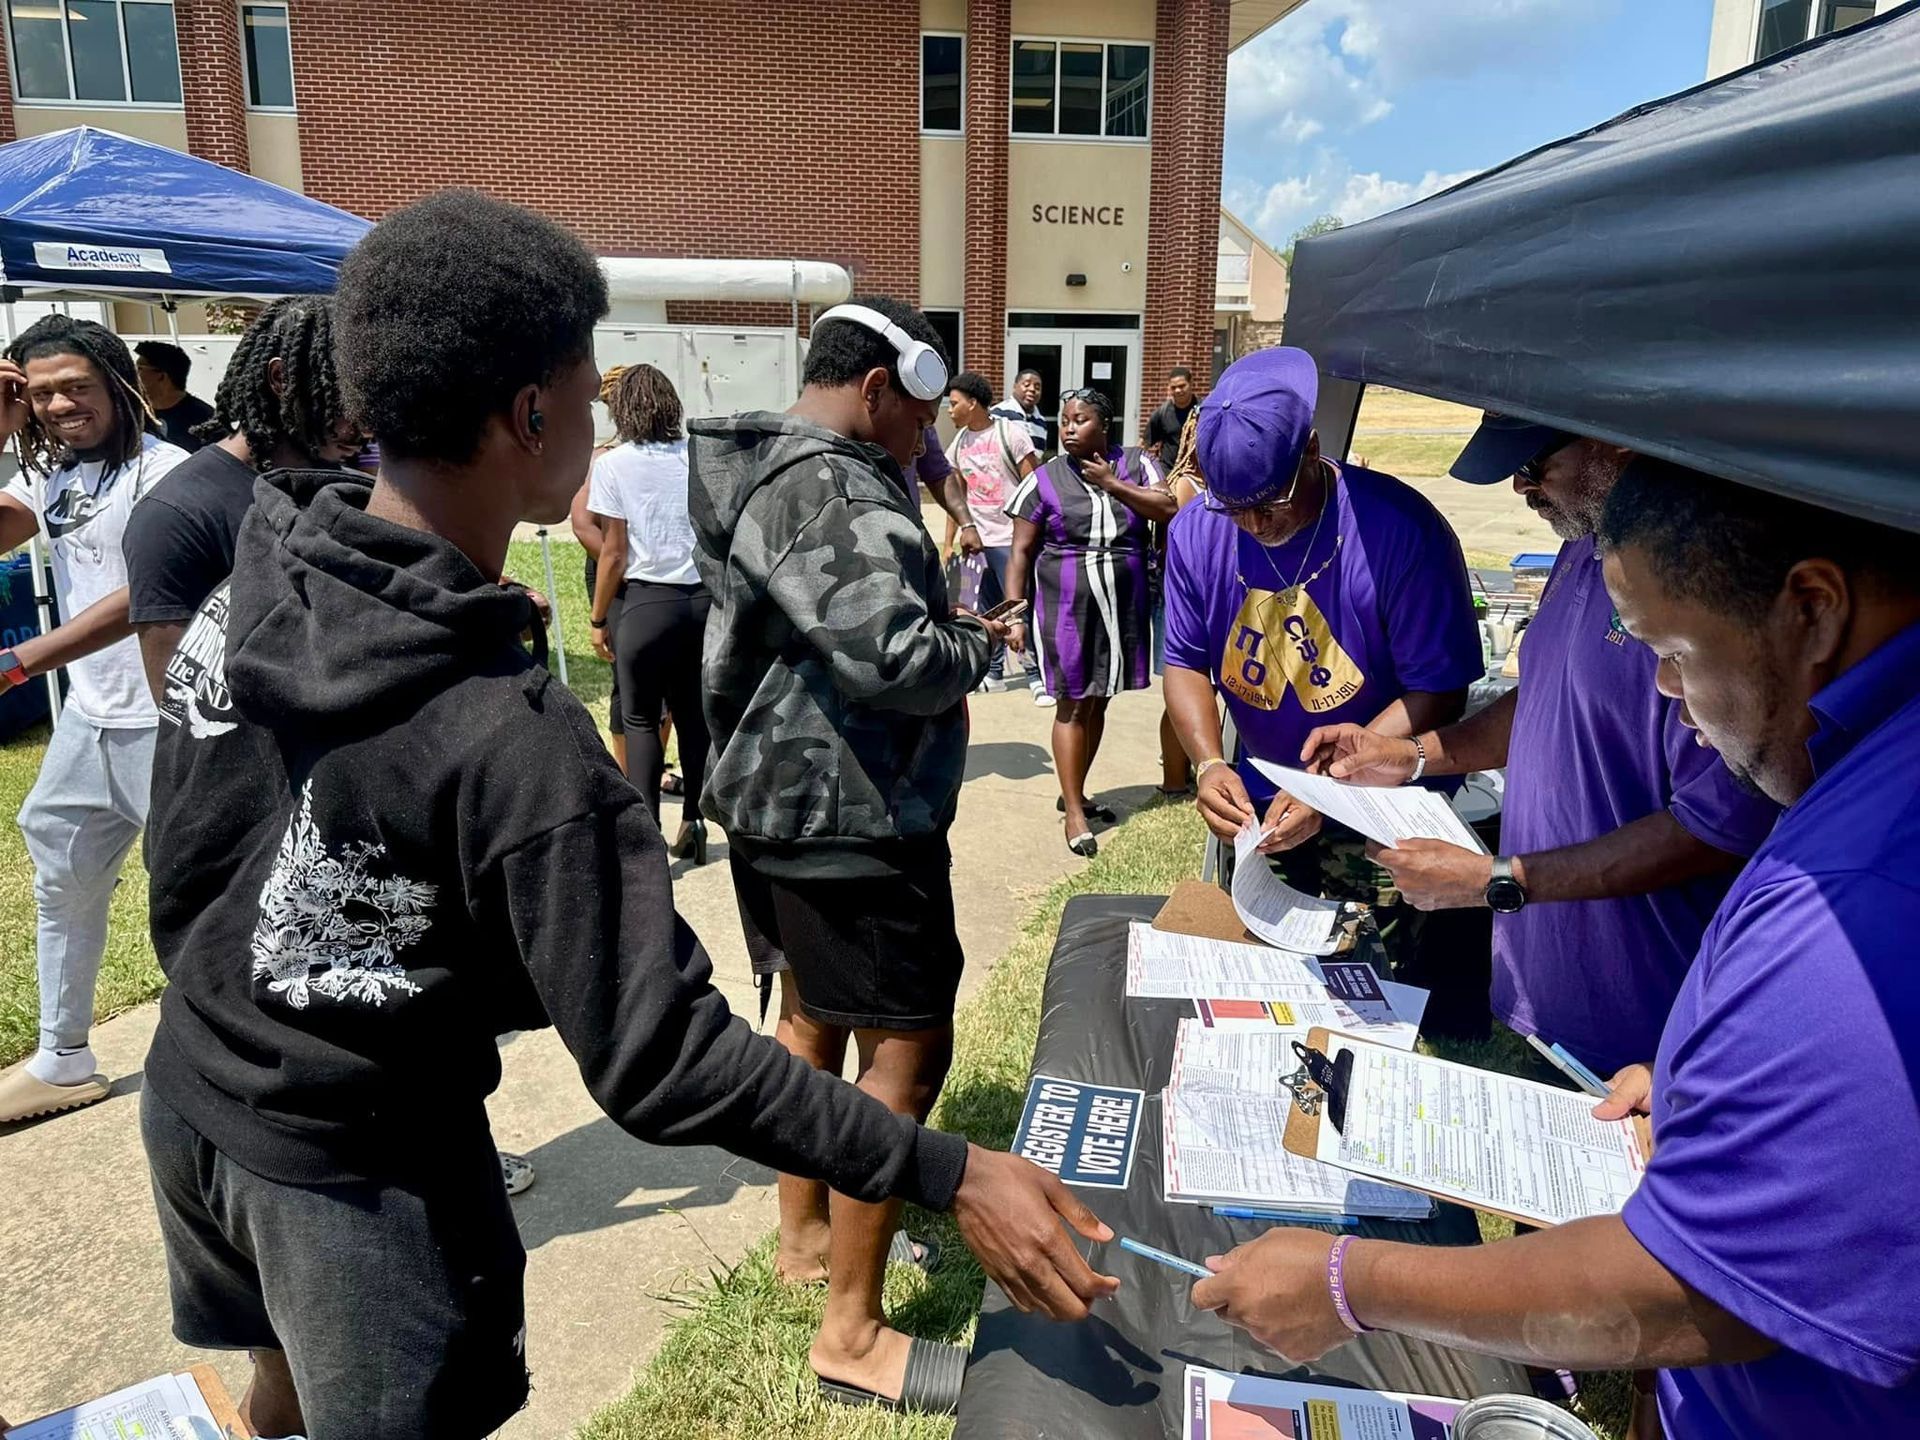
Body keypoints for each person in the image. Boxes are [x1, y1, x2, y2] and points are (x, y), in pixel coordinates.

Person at [138, 201, 1110, 1438]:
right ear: (531, 415)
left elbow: (183, 872)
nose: (597, 410)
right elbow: (658, 1057)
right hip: (358, 1186)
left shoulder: (252, 577)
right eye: (584, 385)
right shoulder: (511, 733)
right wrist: (952, 1170)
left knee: (276, 1393)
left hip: (191, 1106)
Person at [1193, 456, 1920, 1440]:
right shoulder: (1865, 766)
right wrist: (1706, 1080)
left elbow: (1688, 1290)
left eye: (1670, 650)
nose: (1665, 692)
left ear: (1814, 609)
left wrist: (1348, 1282)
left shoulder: (1861, 893)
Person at [688, 296, 1026, 1413]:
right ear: (875, 388)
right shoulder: (832, 482)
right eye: (919, 422)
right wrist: (978, 641)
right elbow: (892, 653)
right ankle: (852, 1331)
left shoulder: (766, 470)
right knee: (909, 1052)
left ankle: (802, 1239)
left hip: (783, 806)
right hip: (851, 814)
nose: (925, 446)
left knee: (812, 1022)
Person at [1301, 416, 1778, 1076]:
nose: (1521, 485)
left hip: (1650, 1027)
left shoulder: (1703, 580)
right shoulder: (1583, 540)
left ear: (1616, 440)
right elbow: (1547, 698)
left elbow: (1712, 829)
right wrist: (1415, 755)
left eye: (1535, 462)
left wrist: (1498, 882)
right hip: (1545, 993)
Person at [1161, 347, 1483, 965]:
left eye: (1271, 505)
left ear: (1311, 449)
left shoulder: (1399, 530)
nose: (1253, 525)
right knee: (1274, 973)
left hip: (1382, 802)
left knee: (1379, 981)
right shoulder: (1196, 530)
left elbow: (1440, 691)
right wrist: (1206, 764)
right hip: (1265, 799)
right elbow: (1183, 661)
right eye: (1234, 508)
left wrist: (1330, 784)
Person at [0, 317, 190, 1125]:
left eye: (76, 386)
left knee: (206, 895)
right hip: (91, 721)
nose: (59, 405)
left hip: (171, 719)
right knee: (62, 877)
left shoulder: (169, 471)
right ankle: (64, 1056)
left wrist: (19, 660)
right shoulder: (51, 477)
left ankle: (269, 1062)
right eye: (40, 393)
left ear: (118, 382)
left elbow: (140, 594)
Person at [125, 297, 366, 703]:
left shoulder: (350, 490)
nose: (364, 423)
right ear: (281, 378)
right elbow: (180, 706)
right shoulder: (175, 517)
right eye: (346, 395)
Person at [1004, 386, 1176, 857]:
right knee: (1072, 702)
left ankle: (1076, 789)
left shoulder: (1138, 465)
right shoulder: (1043, 479)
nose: (1068, 428)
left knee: (1099, 699)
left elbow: (1167, 509)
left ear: (1104, 425)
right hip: (1067, 607)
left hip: (1122, 603)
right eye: (1064, 421)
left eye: (1079, 420)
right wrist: (1014, 616)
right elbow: (1019, 553)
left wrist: (1112, 484)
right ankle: (1074, 813)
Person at [587, 363, 710, 863]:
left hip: (646, 602)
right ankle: (697, 820)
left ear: (623, 410)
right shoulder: (696, 457)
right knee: (693, 717)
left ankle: (646, 838)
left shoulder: (614, 464)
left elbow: (613, 552)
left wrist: (598, 619)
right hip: (700, 602)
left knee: (640, 720)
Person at [941, 370, 1038, 690]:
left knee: (1022, 604)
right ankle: (994, 672)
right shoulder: (959, 443)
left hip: (1011, 539)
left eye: (955, 403)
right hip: (979, 542)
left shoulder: (1010, 434)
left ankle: (1035, 674)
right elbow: (956, 497)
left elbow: (1035, 486)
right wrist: (948, 542)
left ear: (973, 403)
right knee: (988, 608)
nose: (950, 409)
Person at [133, 341, 215, 454]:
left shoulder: (205, 419)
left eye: (140, 368)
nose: (134, 374)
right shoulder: (134, 413)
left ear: (162, 376)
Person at [1143, 364, 1196, 473]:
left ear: (1191, 384)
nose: (1177, 390)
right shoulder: (1162, 413)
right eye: (1173, 387)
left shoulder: (1202, 411)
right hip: (1168, 471)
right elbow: (1145, 443)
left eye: (1182, 386)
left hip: (1195, 471)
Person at [990, 366, 1050, 455]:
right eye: (1026, 385)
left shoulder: (1041, 422)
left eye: (1037, 387)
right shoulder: (998, 414)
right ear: (1014, 387)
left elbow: (1038, 457)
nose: (1032, 389)